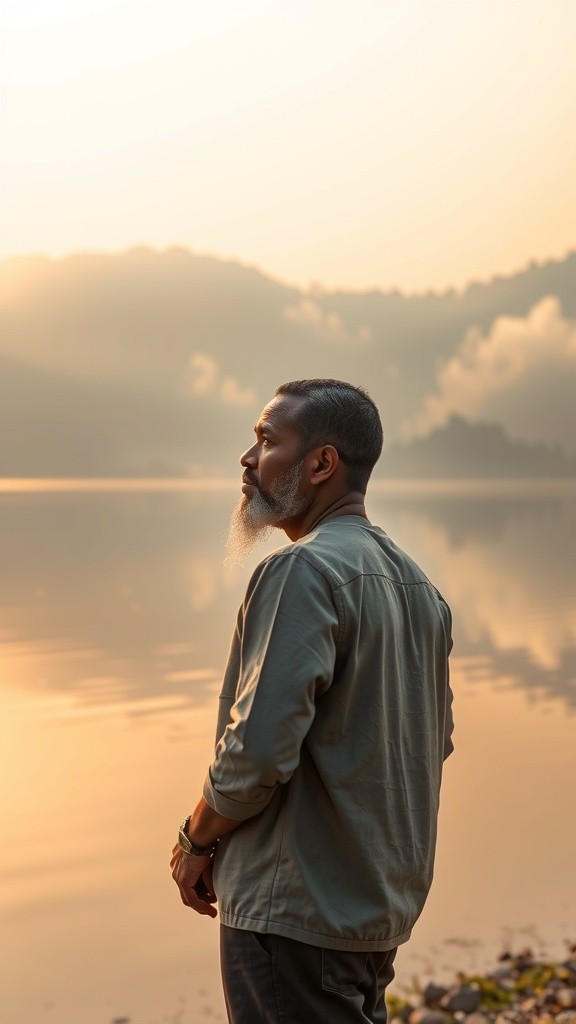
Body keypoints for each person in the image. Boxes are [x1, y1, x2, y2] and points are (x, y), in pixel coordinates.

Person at [170, 379, 454, 1024]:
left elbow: (257, 750)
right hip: (370, 915)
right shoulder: (420, 590)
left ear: (322, 463)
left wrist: (196, 836)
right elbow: (433, 743)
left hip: (293, 916)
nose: (248, 459)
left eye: (267, 440)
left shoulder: (304, 571)